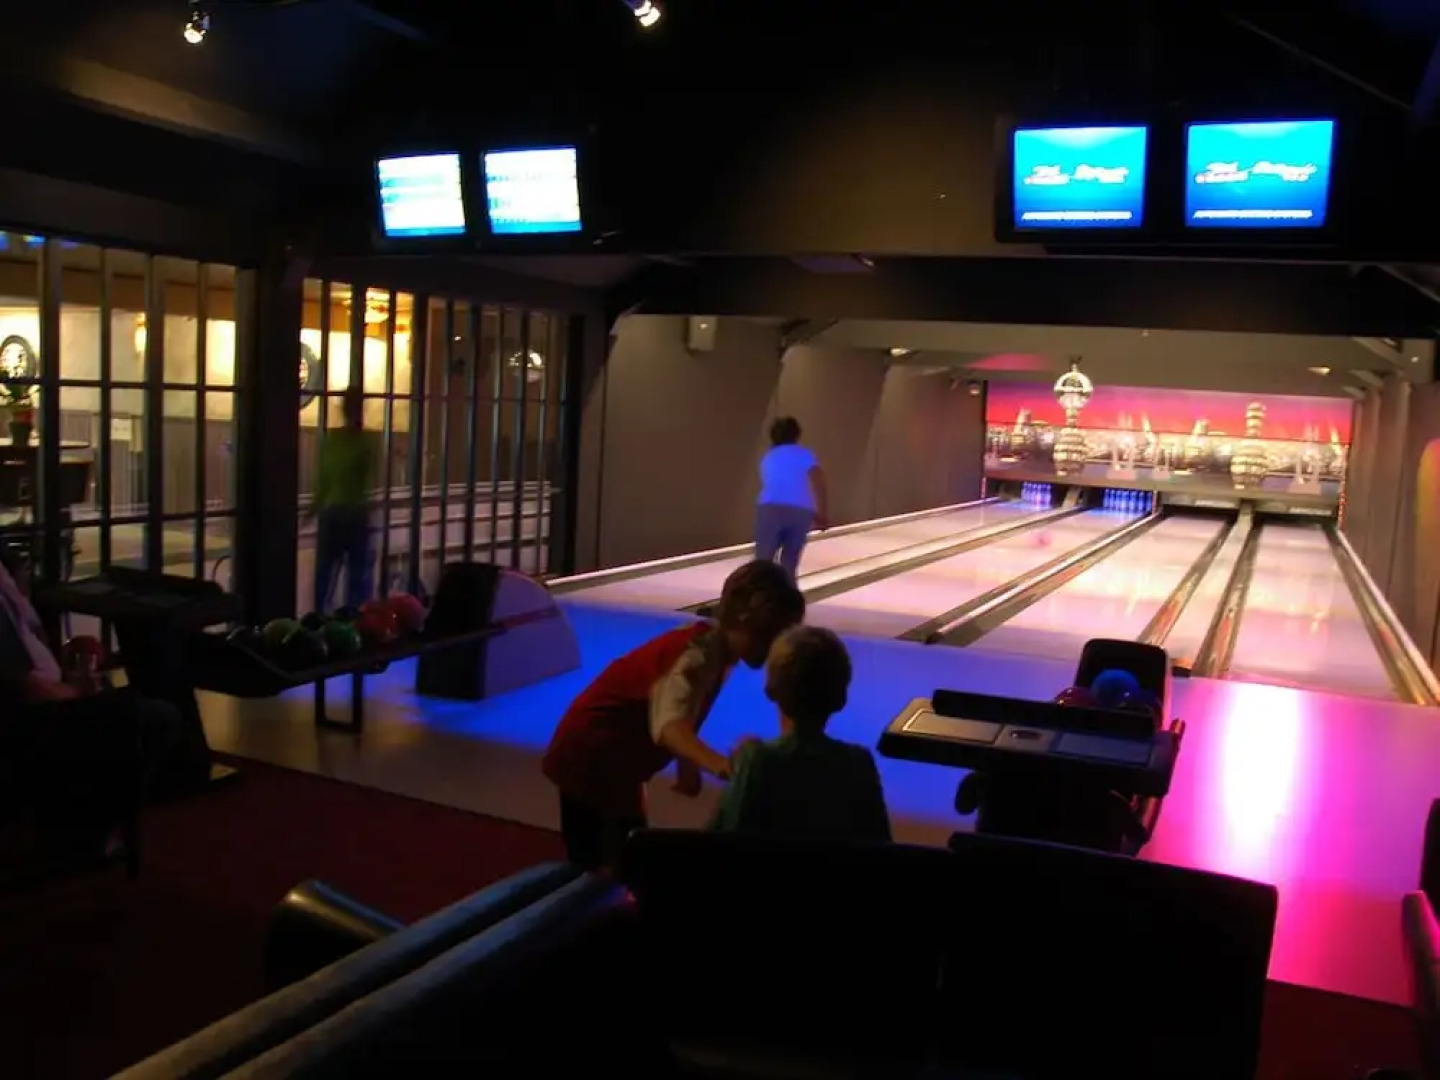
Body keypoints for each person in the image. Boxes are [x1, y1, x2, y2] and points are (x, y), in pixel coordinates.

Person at [542, 560, 806, 869]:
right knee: (600, 863)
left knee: (628, 853)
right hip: (588, 754)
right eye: (766, 635)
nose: (772, 647)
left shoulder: (718, 652)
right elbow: (669, 726)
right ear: (739, 619)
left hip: (617, 762)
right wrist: (720, 765)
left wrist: (687, 767)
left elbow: (685, 710)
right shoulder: (696, 655)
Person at [710, 626, 891, 841]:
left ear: (770, 689)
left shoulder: (757, 759)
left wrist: (744, 765)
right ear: (840, 699)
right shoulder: (859, 764)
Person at [310, 386, 376, 613]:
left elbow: (325, 479)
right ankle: (351, 620)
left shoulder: (336, 440)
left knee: (328, 576)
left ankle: (324, 619)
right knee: (352, 577)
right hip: (352, 513)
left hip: (337, 513)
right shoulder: (363, 442)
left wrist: (314, 509)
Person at [755, 416, 829, 581]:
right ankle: (788, 594)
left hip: (769, 509)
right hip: (800, 511)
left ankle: (759, 593)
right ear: (797, 434)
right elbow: (819, 482)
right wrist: (821, 514)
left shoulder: (768, 457)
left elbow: (777, 486)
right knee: (789, 563)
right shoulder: (805, 454)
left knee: (763, 562)